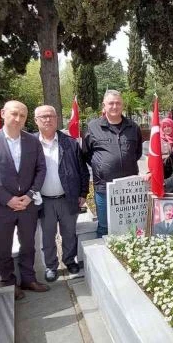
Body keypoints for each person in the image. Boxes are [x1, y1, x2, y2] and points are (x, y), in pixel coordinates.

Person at [0, 100, 48, 300]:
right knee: (4, 247)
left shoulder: (33, 141)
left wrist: (30, 195)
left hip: (28, 205)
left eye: (23, 116)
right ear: (3, 113)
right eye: (14, 114)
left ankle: (28, 278)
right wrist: (7, 199)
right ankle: (9, 282)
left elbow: (41, 169)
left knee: (28, 244)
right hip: (1, 207)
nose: (18, 119)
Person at [33, 105, 90, 282]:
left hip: (68, 198)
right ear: (36, 121)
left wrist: (82, 193)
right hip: (44, 200)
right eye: (43, 117)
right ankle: (51, 266)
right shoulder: (30, 143)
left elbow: (83, 171)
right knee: (47, 235)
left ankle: (70, 260)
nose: (48, 119)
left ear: (57, 119)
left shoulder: (70, 143)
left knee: (69, 233)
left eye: (51, 116)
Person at [83, 90, 143, 238]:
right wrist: (101, 166)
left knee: (130, 227)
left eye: (118, 103)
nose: (114, 106)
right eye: (111, 103)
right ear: (104, 105)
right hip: (104, 187)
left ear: (122, 105)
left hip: (129, 188)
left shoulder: (133, 127)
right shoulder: (93, 127)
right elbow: (86, 153)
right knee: (104, 227)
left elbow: (137, 153)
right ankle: (103, 261)